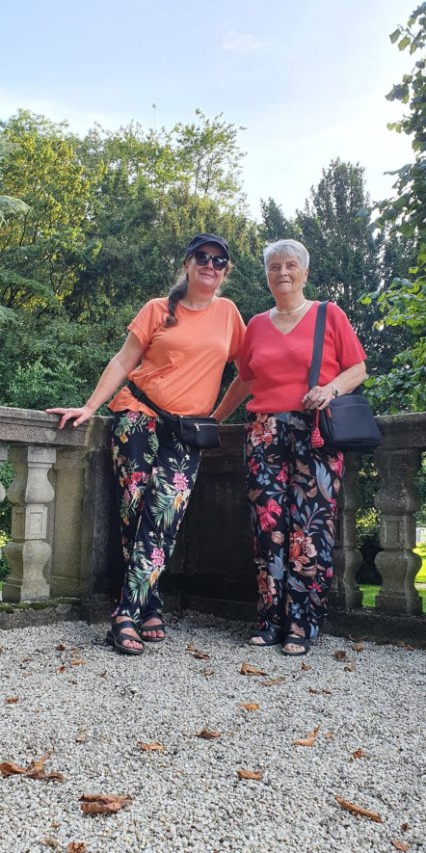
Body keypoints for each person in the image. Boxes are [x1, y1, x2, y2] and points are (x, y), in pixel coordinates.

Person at [47, 233, 246, 655]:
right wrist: (89, 407)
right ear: (187, 263)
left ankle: (125, 614)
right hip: (137, 416)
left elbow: (248, 373)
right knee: (135, 510)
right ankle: (148, 604)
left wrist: (217, 417)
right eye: (202, 257)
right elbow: (124, 360)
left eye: (219, 261)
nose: (210, 265)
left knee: (164, 514)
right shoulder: (158, 309)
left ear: (225, 271)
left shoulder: (229, 314)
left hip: (186, 431)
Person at [214, 239, 367, 656]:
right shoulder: (256, 325)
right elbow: (245, 380)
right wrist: (215, 419)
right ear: (267, 275)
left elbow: (358, 367)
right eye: (274, 266)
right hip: (264, 432)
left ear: (305, 272)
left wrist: (331, 389)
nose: (282, 272)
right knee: (267, 528)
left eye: (290, 265)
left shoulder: (328, 314)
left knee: (310, 530)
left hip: (315, 430)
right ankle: (270, 620)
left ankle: (301, 623)